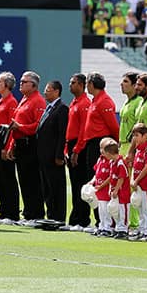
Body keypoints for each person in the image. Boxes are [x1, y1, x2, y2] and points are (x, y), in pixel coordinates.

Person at [73, 73, 119, 227]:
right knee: (94, 180)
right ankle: (100, 220)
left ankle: (104, 221)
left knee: (100, 181)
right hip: (93, 145)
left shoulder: (104, 101)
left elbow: (113, 126)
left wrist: (113, 147)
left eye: (88, 83)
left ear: (92, 84)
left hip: (101, 144)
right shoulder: (95, 101)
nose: (86, 86)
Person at [37, 80, 69, 222]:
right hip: (43, 155)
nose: (45, 92)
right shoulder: (48, 108)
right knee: (47, 187)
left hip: (53, 156)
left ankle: (59, 216)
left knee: (56, 186)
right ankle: (50, 215)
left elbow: (62, 134)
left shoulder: (62, 109)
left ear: (57, 92)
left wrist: (59, 154)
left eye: (48, 90)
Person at [65, 74, 92, 229]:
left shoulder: (84, 103)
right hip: (72, 144)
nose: (70, 85)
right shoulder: (74, 102)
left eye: (73, 83)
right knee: (75, 183)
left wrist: (77, 149)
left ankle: (82, 219)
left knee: (81, 183)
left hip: (79, 146)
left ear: (81, 85)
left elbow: (83, 129)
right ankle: (76, 218)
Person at [0, 72, 20, 224]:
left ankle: (12, 212)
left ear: (7, 85)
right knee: (0, 178)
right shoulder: (1, 101)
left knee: (8, 177)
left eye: (0, 81)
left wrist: (8, 146)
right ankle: (4, 211)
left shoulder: (11, 102)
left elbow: (11, 126)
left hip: (5, 142)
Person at [128, 124, 147, 241]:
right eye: (134, 135)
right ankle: (142, 228)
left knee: (146, 209)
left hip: (145, 185)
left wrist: (137, 180)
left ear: (145, 136)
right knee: (140, 208)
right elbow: (134, 167)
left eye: (137, 135)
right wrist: (133, 180)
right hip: (138, 185)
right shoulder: (138, 149)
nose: (135, 138)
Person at [102, 139, 131, 239]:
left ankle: (124, 229)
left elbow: (121, 178)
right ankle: (118, 228)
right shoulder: (112, 162)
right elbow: (112, 177)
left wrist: (116, 189)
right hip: (116, 192)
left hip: (123, 192)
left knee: (123, 210)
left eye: (105, 153)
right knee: (116, 210)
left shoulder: (120, 163)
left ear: (109, 153)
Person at [90, 139, 115, 237]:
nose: (101, 150)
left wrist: (102, 185)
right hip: (99, 189)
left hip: (105, 189)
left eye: (103, 148)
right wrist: (92, 181)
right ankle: (102, 226)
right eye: (100, 148)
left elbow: (111, 176)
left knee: (107, 209)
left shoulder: (111, 161)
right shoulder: (100, 159)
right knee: (101, 209)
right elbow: (97, 173)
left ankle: (108, 228)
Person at [117, 72, 141, 143]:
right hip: (123, 143)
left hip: (131, 144)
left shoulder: (139, 101)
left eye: (125, 81)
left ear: (134, 85)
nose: (121, 84)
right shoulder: (126, 102)